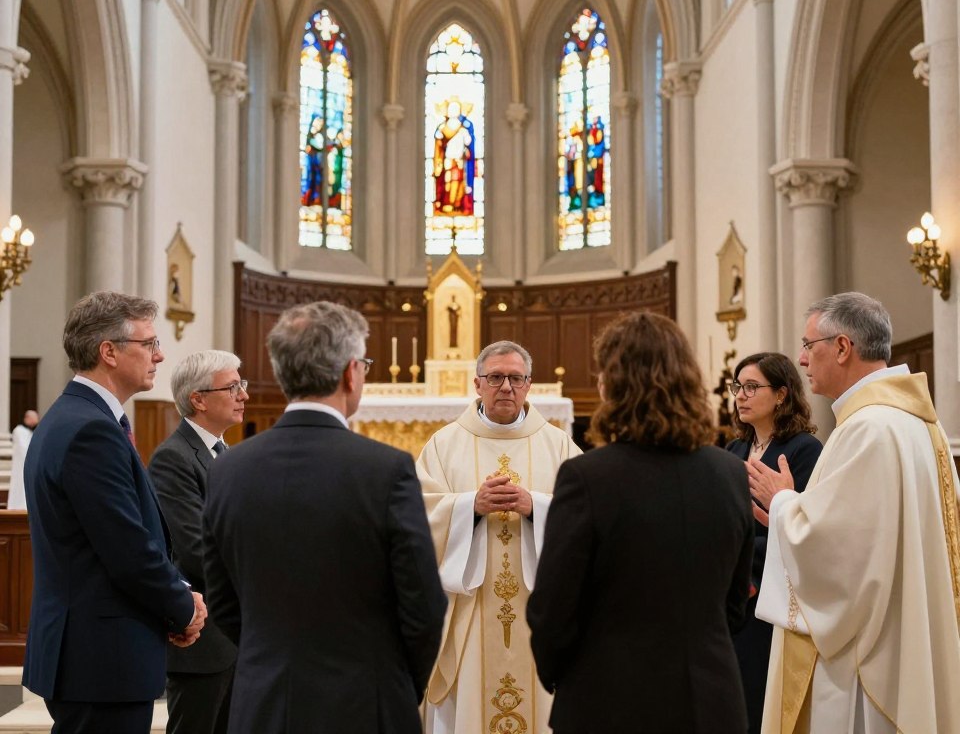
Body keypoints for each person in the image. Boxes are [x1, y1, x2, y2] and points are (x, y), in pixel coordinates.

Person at [202, 300, 446, 733]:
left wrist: (272, 658)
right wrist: (393, 685)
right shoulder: (386, 470)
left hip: (263, 703)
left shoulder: (227, 470)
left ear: (281, 373)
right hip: (365, 705)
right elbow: (423, 605)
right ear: (351, 373)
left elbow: (222, 600)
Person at [527, 311, 754, 733]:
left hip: (609, 701)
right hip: (711, 700)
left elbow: (552, 610)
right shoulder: (730, 473)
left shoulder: (587, 477)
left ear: (612, 384)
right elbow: (734, 605)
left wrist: (565, 677)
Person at [748, 292, 960, 733]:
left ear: (842, 348)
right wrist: (794, 516)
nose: (802, 361)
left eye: (809, 346)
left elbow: (839, 556)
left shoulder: (870, 428)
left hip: (868, 659)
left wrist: (784, 501)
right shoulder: (921, 424)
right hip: (905, 635)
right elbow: (870, 531)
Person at [22, 291, 205, 734]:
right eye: (148, 344)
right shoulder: (90, 431)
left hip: (91, 653)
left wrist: (175, 599)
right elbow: (126, 550)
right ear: (109, 352)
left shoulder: (72, 418)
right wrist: (183, 606)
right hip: (101, 657)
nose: (159, 355)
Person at [417, 340, 582, 733]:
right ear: (477, 384)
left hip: (538, 607)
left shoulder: (559, 445)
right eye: (495, 377)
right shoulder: (443, 444)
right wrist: (469, 507)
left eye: (515, 378)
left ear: (529, 384)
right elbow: (418, 514)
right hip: (469, 609)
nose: (505, 387)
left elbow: (587, 517)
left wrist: (535, 506)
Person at [149, 351, 249, 734]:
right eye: (233, 386)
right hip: (204, 642)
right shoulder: (174, 459)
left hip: (236, 636)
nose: (243, 395)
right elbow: (195, 551)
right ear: (199, 399)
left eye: (242, 385)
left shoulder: (225, 453)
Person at [725, 352, 822, 734]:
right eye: (738, 387)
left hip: (773, 589)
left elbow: (806, 522)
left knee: (759, 688)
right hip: (734, 585)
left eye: (752, 387)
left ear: (781, 394)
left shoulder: (803, 450)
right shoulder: (734, 450)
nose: (741, 396)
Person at [7, 408, 38, 510]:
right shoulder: (19, 430)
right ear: (27, 418)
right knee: (20, 488)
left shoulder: (32, 432)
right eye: (34, 418)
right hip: (21, 466)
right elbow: (24, 448)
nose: (37, 420)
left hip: (30, 466)